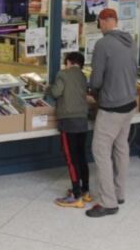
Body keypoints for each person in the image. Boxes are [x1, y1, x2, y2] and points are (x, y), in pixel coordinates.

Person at [86, 8, 138, 218]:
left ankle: (108, 202)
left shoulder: (103, 44)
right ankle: (119, 193)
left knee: (100, 151)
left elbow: (97, 80)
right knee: (121, 148)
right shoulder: (130, 41)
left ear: (106, 21)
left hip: (111, 107)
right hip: (129, 104)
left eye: (99, 23)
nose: (99, 27)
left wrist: (91, 92)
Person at [47, 51, 92, 208]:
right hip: (82, 120)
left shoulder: (63, 74)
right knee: (81, 156)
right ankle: (85, 190)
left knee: (71, 159)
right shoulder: (83, 76)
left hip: (68, 121)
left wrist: (48, 88)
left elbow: (55, 92)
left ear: (68, 62)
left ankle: (76, 196)